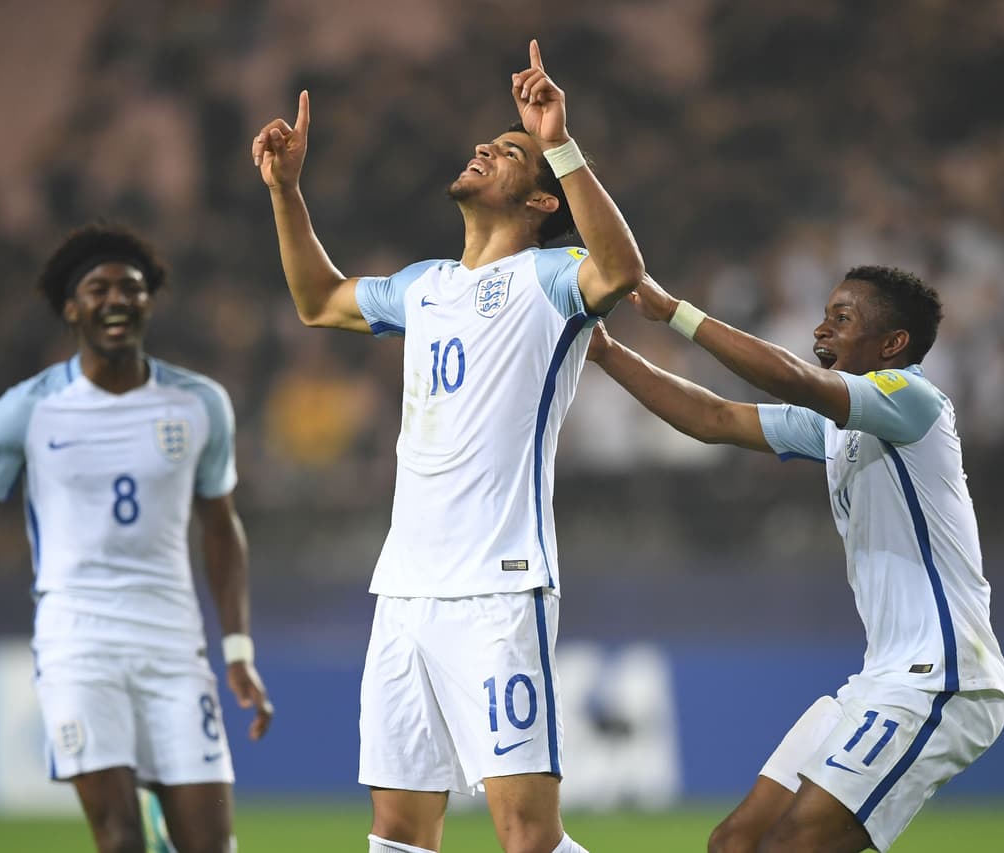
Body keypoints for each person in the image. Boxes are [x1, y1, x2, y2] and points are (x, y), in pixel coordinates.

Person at [252, 39, 644, 853]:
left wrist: (559, 142)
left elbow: (622, 270)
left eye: (506, 152)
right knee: (397, 831)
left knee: (526, 836)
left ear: (540, 202)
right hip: (405, 591)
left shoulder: (554, 278)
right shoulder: (424, 284)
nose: (483, 150)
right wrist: (288, 194)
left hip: (498, 591)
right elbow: (320, 300)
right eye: (487, 144)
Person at [0, 223, 273, 853]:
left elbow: (221, 525)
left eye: (132, 287)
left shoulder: (200, 404)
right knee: (120, 842)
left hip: (174, 648)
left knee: (212, 846)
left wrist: (236, 647)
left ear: (149, 303)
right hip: (78, 645)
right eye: (98, 288)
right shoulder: (28, 409)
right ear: (71, 308)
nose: (116, 298)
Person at [587, 266, 1004, 853]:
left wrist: (675, 312)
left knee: (793, 846)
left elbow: (795, 379)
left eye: (842, 318)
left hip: (941, 678)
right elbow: (715, 419)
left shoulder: (913, 400)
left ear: (892, 344)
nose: (821, 329)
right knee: (735, 841)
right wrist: (606, 352)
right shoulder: (838, 428)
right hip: (880, 678)